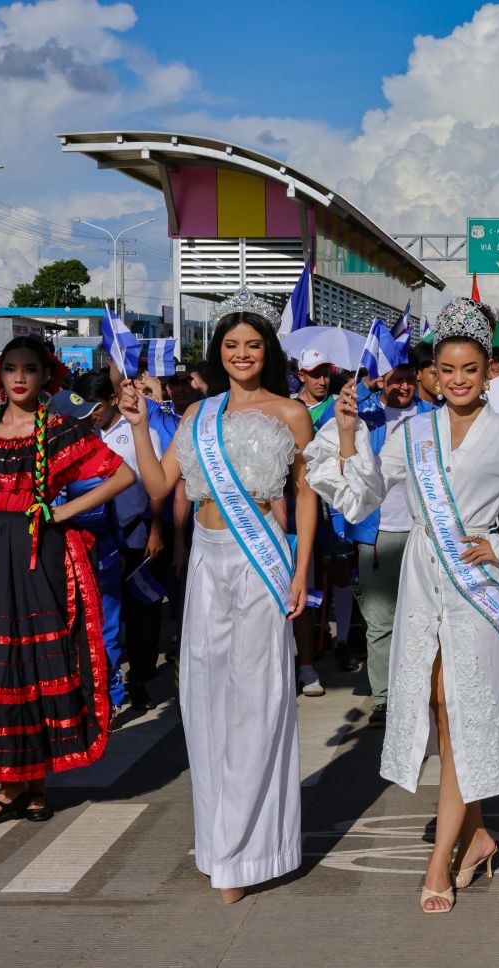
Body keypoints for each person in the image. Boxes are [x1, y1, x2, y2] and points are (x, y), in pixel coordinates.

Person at [306, 297, 499, 914]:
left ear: (488, 369)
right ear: (434, 370)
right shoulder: (413, 432)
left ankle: (439, 859)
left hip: (477, 590)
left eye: (471, 368)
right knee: (442, 709)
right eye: (448, 369)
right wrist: (349, 434)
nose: (459, 380)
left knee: (461, 711)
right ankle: (480, 833)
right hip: (420, 582)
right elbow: (362, 496)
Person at [120, 292, 316, 905]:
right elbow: (157, 484)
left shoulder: (291, 413)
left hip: (262, 559)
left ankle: (245, 852)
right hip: (206, 560)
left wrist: (301, 572)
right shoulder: (197, 415)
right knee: (204, 702)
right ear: (218, 352)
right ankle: (218, 843)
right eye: (230, 345)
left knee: (255, 702)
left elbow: (306, 495)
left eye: (252, 344)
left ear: (267, 351)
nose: (240, 354)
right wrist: (137, 427)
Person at [0, 336, 135, 827]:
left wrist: (64, 511)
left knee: (38, 665)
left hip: (41, 554)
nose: (19, 378)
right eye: (11, 369)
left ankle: (34, 784)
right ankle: (8, 786)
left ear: (46, 376)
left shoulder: (61, 428)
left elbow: (123, 474)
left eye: (30, 369)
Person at [69, 372, 165, 713]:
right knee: (102, 616)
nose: (91, 414)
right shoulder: (80, 434)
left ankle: (139, 679)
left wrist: (155, 531)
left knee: (140, 614)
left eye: (95, 407)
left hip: (135, 534)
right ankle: (102, 688)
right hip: (97, 536)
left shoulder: (141, 432)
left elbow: (156, 485)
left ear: (111, 401)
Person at [350, 353, 435, 729]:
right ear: (381, 379)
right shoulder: (364, 417)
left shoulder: (431, 417)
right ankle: (383, 699)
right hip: (377, 534)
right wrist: (362, 390)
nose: (402, 386)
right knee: (380, 621)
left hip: (423, 532)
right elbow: (321, 427)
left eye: (408, 379)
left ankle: (419, 694)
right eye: (393, 379)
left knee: (423, 619)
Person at [291, 347, 343, 694]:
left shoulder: (337, 407)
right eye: (315, 373)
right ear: (301, 376)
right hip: (286, 511)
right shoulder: (285, 408)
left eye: (326, 373)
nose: (322, 380)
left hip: (325, 510)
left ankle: (310, 664)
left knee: (314, 586)